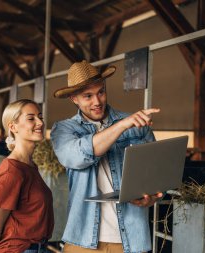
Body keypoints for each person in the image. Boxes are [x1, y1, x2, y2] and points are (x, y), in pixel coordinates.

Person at [51, 60, 163, 253]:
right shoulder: (64, 130)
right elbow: (77, 157)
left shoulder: (137, 125)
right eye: (88, 96)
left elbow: (155, 174)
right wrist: (120, 126)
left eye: (101, 92)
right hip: (83, 241)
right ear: (73, 99)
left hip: (131, 240)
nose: (97, 101)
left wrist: (152, 197)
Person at [0, 99, 54, 253]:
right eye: (31, 118)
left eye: (40, 117)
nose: (40, 122)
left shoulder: (30, 166)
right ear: (13, 127)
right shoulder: (11, 172)